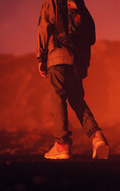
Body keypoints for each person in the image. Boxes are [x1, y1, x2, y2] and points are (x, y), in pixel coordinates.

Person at [37, 0, 109, 159]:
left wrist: (41, 57)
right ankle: (97, 137)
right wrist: (84, 63)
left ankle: (62, 144)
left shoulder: (53, 2)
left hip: (57, 56)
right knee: (77, 100)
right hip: (76, 59)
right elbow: (89, 34)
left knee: (58, 98)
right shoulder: (78, 4)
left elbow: (45, 26)